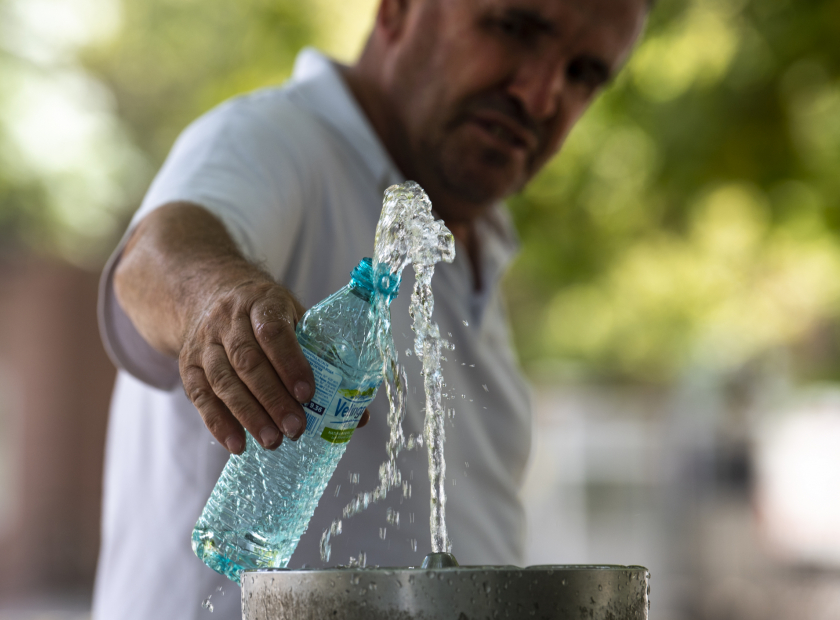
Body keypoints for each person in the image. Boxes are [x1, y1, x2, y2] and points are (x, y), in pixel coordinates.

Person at [93, 0, 649, 618]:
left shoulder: (475, 241)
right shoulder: (276, 136)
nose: (541, 96)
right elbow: (153, 260)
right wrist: (218, 306)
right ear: (398, 11)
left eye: (583, 75)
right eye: (513, 28)